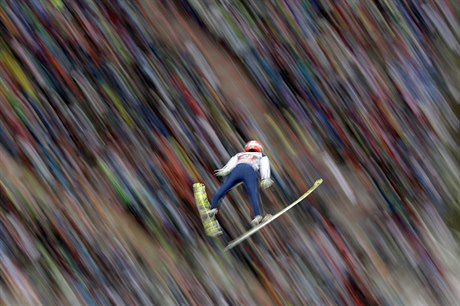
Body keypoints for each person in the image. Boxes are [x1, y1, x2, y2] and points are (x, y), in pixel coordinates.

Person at [208, 140, 274, 227]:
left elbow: (230, 164)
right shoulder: (261, 155)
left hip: (237, 169)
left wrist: (224, 170)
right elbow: (264, 165)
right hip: (249, 170)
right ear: (259, 148)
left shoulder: (239, 154)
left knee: (224, 188)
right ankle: (257, 215)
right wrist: (265, 178)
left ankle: (213, 208)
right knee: (253, 193)